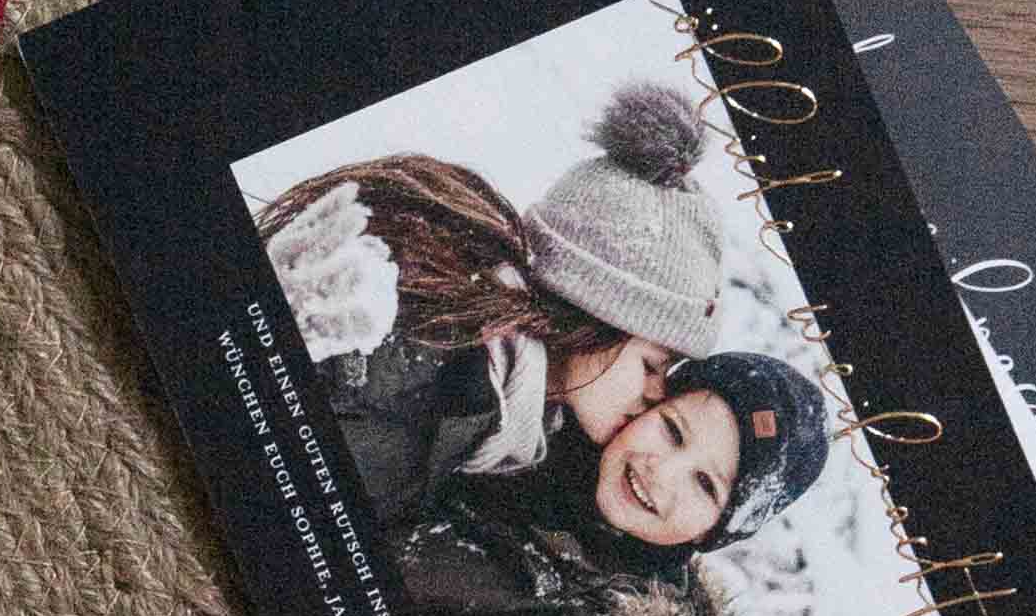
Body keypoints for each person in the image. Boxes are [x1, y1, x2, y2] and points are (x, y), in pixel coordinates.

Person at [258, 80, 725, 543]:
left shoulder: (502, 404)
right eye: (650, 366)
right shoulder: (419, 353)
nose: (656, 394)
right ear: (599, 312)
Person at [390, 337, 836, 616]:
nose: (661, 470)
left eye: (705, 484)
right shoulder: (537, 421)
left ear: (713, 533)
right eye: (672, 431)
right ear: (647, 406)